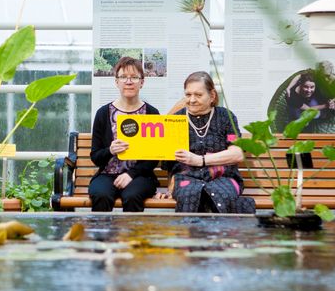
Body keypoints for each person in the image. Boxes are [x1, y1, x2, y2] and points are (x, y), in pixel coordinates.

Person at [157, 71, 255, 214]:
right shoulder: (176, 119)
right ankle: (191, 235)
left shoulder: (225, 117)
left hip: (223, 177)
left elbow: (237, 153)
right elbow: (168, 162)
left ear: (212, 95)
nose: (191, 100)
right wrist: (169, 188)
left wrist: (200, 160)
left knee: (221, 194)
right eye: (188, 94)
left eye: (198, 95)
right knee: (190, 194)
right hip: (186, 178)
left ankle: (222, 236)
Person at [89, 57, 160, 212]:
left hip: (140, 176)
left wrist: (131, 174)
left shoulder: (151, 113)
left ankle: (131, 237)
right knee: (101, 195)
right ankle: (102, 236)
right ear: (116, 82)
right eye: (123, 77)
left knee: (132, 195)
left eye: (134, 77)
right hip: (107, 174)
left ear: (142, 82)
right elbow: (95, 156)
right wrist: (110, 150)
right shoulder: (103, 113)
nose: (129, 82)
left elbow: (154, 156)